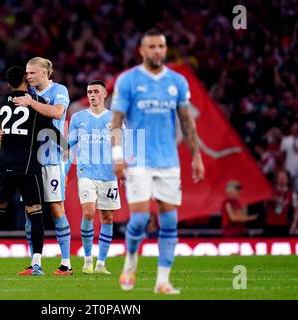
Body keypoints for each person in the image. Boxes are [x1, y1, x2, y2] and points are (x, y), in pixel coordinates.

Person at [110, 28, 205, 294]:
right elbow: (115, 121)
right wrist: (117, 157)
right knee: (139, 220)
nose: (157, 51)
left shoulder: (177, 81)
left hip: (168, 163)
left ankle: (162, 281)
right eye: (151, 47)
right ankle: (130, 261)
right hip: (137, 159)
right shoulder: (127, 81)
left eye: (161, 46)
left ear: (166, 49)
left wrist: (196, 155)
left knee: (170, 222)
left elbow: (187, 120)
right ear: (142, 50)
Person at [0, 66, 68, 276]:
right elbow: (49, 128)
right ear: (24, 79)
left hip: (4, 165)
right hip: (28, 165)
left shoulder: (1, 102)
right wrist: (66, 147)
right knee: (35, 213)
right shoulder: (34, 103)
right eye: (27, 75)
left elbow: (7, 128)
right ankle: (37, 263)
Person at [65, 80, 121, 275]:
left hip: (108, 174)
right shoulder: (78, 118)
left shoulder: (115, 118)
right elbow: (68, 147)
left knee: (107, 217)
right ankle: (88, 259)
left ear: (105, 94)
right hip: (85, 172)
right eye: (89, 92)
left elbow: (119, 146)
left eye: (96, 91)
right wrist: (64, 172)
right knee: (88, 213)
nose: (92, 95)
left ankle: (101, 263)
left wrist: (121, 168)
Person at [264, 170, 298, 236]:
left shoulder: (292, 194)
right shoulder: (270, 191)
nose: (282, 180)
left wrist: (294, 223)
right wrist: (275, 199)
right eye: (280, 178)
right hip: (270, 226)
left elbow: (296, 210)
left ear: (288, 180)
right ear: (276, 179)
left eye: (284, 178)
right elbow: (265, 199)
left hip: (284, 226)